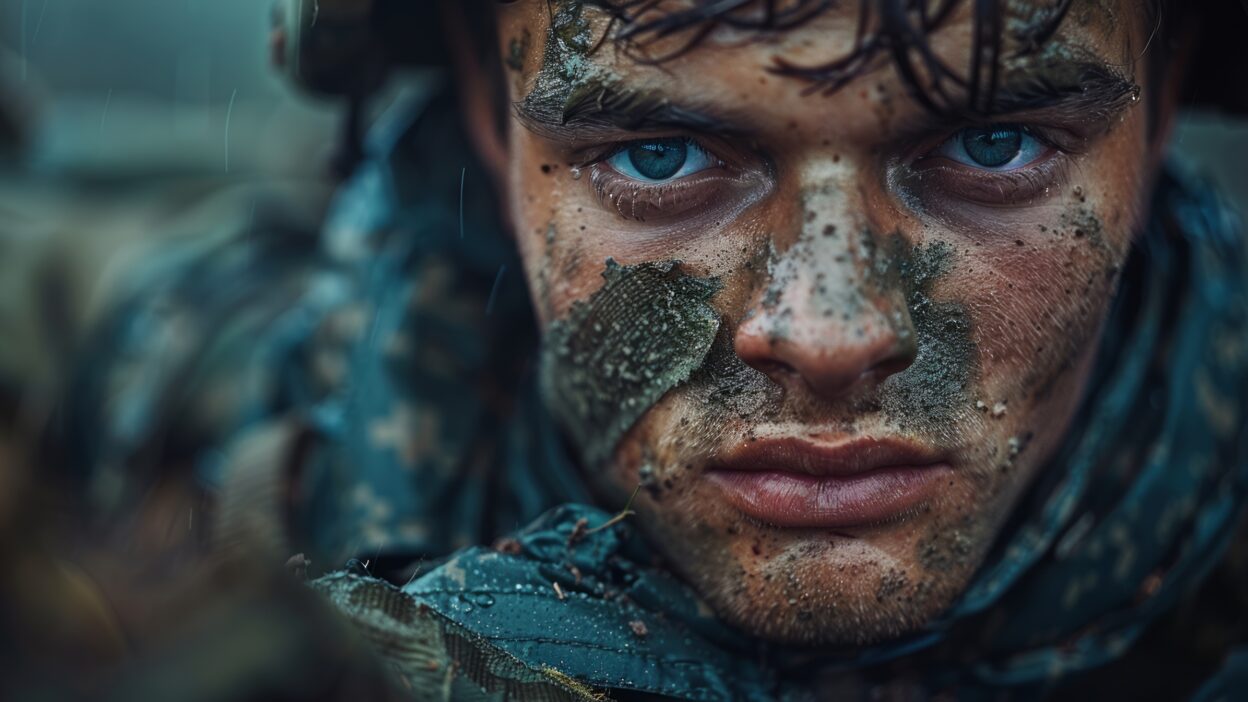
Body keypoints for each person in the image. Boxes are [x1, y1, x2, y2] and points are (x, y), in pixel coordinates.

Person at [46, 1, 1248, 699]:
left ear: (1161, 102)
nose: (828, 335)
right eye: (661, 156)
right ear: (484, 106)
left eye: (992, 145)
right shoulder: (303, 394)